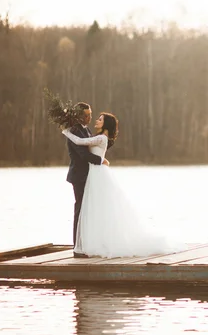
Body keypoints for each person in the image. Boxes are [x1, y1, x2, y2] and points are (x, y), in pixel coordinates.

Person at [62, 112, 182, 258]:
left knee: (95, 208)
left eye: (100, 119)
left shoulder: (100, 138)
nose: (96, 120)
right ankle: (95, 242)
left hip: (97, 174)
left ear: (106, 124)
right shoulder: (100, 137)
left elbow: (80, 142)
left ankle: (94, 243)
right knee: (95, 209)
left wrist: (65, 131)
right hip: (95, 173)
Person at [65, 102, 109, 257]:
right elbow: (83, 155)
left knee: (87, 211)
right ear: (78, 115)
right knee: (80, 210)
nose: (90, 117)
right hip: (79, 175)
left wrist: (101, 159)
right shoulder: (75, 130)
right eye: (86, 115)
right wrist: (99, 160)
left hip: (88, 175)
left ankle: (86, 244)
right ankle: (78, 247)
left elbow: (91, 147)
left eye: (90, 114)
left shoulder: (86, 129)